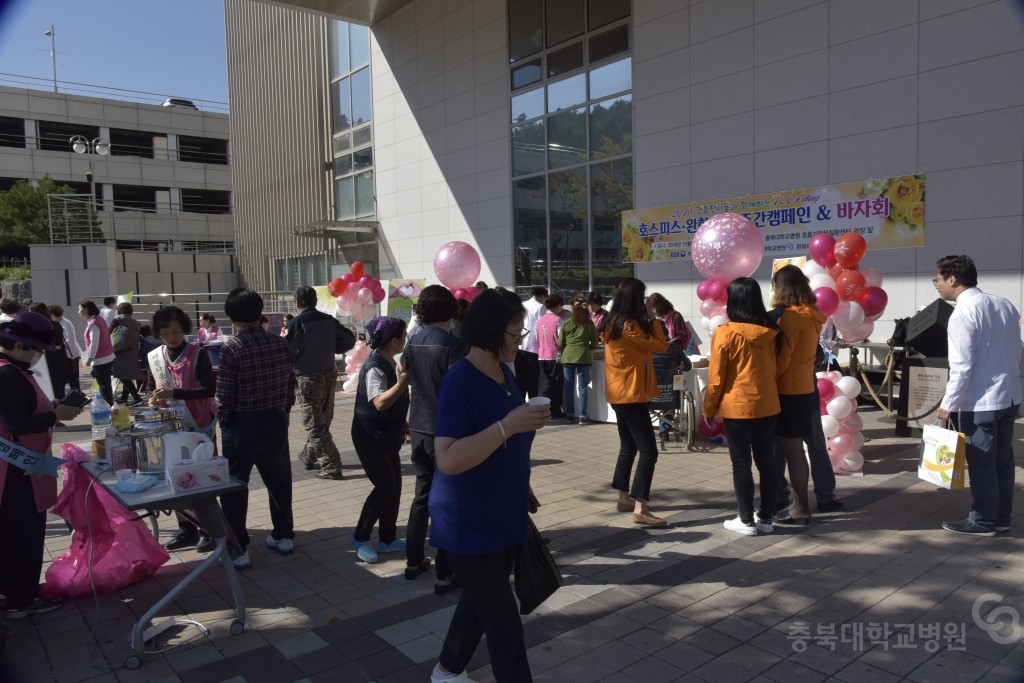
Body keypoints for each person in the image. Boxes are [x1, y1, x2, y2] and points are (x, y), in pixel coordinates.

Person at [429, 288, 549, 683]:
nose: (521, 340)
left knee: (477, 602)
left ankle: (447, 671)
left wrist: (521, 482)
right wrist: (510, 424)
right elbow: (447, 457)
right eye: (516, 333)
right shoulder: (460, 380)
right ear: (493, 331)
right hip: (468, 522)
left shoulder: (503, 373)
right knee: (504, 625)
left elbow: (506, 442)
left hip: (502, 512)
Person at [0, 312, 83, 619]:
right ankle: (21, 601)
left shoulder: (12, 370)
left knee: (15, 532)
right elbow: (18, 422)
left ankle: (16, 591)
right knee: (24, 533)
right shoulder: (8, 375)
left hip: (18, 468)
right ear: (19, 345)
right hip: (18, 472)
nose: (37, 357)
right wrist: (55, 415)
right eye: (35, 351)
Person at [934, 256, 1022, 537]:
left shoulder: (962, 313)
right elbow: (1018, 349)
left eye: (937, 279)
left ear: (952, 279)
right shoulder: (1004, 304)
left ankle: (982, 520)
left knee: (982, 462)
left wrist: (948, 404)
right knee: (1002, 461)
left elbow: (961, 366)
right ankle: (1001, 518)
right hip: (1009, 397)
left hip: (980, 401)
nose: (936, 285)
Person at [217, 288, 297, 570]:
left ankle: (239, 549)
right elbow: (290, 385)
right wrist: (284, 412)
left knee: (235, 487)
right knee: (279, 481)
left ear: (231, 317)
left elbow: (225, 395)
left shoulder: (231, 348)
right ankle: (284, 535)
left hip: (242, 425)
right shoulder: (280, 344)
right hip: (275, 421)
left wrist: (223, 421)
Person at [704, 278, 782, 536]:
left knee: (741, 464)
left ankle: (746, 520)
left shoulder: (725, 333)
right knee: (767, 463)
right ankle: (767, 518)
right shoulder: (771, 331)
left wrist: (709, 409)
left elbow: (716, 377)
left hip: (737, 407)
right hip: (768, 404)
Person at [402, 286, 467, 589]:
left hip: (418, 427)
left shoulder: (413, 341)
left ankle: (413, 559)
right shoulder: (454, 345)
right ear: (451, 311)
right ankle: (445, 571)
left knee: (422, 495)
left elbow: (405, 372)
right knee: (448, 500)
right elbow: (458, 390)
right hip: (446, 430)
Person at [149, 306, 218, 553]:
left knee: (200, 477)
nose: (171, 337)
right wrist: (154, 398)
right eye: (165, 333)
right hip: (171, 425)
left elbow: (209, 390)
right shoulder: (157, 356)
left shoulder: (197, 354)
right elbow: (154, 387)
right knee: (176, 478)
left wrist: (174, 393)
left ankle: (208, 530)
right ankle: (186, 529)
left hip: (199, 425)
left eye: (176, 332)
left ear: (185, 329)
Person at [600, 277, 668, 526]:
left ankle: (623, 497)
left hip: (620, 393)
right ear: (634, 299)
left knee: (628, 446)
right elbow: (660, 346)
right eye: (643, 297)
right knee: (648, 451)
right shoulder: (630, 326)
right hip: (632, 394)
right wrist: (653, 318)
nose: (646, 301)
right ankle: (641, 507)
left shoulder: (613, 323)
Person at [769, 266, 827, 526]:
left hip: (786, 390)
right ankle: (798, 503)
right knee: (796, 449)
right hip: (805, 388)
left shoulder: (791, 317)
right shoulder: (813, 315)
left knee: (790, 451)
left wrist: (768, 377)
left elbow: (783, 358)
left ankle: (800, 508)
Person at [350, 316, 410, 563]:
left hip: (386, 435)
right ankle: (360, 538)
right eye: (403, 336)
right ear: (393, 340)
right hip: (369, 436)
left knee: (393, 486)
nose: (405, 339)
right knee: (384, 487)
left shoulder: (388, 361)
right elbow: (380, 402)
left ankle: (387, 538)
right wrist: (403, 382)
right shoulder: (374, 366)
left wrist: (403, 423)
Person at [285, 286, 356, 480]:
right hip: (329, 374)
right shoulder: (329, 320)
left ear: (297, 303)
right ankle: (308, 455)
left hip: (308, 378)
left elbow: (287, 351)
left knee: (314, 424)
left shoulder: (297, 323)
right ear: (314, 301)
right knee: (322, 419)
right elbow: (349, 340)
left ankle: (332, 465)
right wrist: (331, 346)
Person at [559, 298, 600, 425]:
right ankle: (583, 416)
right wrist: (586, 347)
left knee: (569, 388)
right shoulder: (589, 324)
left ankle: (570, 415)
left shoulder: (566, 323)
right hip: (583, 357)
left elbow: (560, 342)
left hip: (568, 357)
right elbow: (594, 344)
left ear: (573, 308)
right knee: (583, 388)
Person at [536, 295, 567, 419]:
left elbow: (537, 337)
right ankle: (555, 409)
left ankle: (546, 408)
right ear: (558, 305)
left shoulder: (541, 320)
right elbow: (561, 340)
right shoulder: (558, 320)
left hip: (542, 355)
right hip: (554, 355)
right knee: (556, 383)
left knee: (546, 383)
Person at [79, 300, 115, 406]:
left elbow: (94, 342)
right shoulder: (99, 319)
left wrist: (90, 358)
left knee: (104, 386)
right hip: (107, 356)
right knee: (106, 385)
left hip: (100, 359)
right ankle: (109, 406)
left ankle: (108, 409)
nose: (78, 312)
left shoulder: (93, 323)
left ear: (86, 309)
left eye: (80, 309)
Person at [29, 302, 67, 400]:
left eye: (31, 313)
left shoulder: (39, 327)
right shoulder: (56, 324)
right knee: (59, 387)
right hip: (59, 357)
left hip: (48, 360)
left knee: (50, 389)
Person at [514, 286, 547, 399]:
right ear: (542, 296)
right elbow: (541, 327)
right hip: (534, 347)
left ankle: (520, 401)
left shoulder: (523, 304)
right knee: (532, 379)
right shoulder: (541, 307)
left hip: (520, 344)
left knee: (520, 378)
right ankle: (532, 403)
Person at [111, 302, 144, 405]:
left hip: (120, 350)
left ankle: (136, 397)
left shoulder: (117, 320)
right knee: (127, 375)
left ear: (119, 311)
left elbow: (108, 332)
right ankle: (124, 398)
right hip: (133, 351)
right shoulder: (137, 323)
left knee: (121, 375)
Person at [50, 305, 83, 394]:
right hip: (64, 354)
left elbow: (70, 339)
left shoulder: (66, 323)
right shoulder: (56, 323)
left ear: (54, 314)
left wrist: (59, 346)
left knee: (73, 379)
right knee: (65, 379)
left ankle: (78, 398)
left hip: (71, 355)